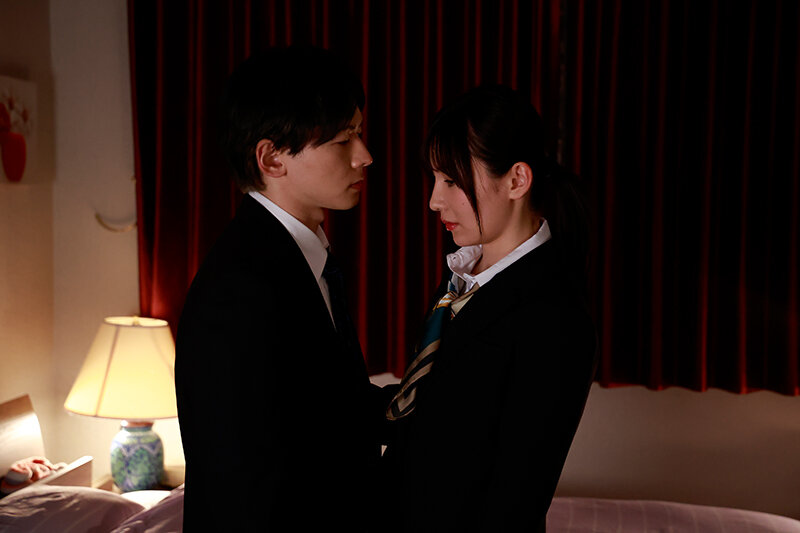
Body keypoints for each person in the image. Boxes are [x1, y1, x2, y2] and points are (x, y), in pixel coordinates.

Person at [175, 45, 395, 531]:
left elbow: (334, 409)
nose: (365, 156)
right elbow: (244, 485)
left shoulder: (297, 256)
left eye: (359, 133)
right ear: (272, 158)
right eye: (343, 140)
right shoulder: (240, 289)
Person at [381, 84, 598, 532]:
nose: (434, 200)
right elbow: (425, 412)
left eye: (452, 180)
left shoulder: (555, 315)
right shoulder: (462, 276)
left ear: (517, 180)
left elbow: (516, 497)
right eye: (435, 179)